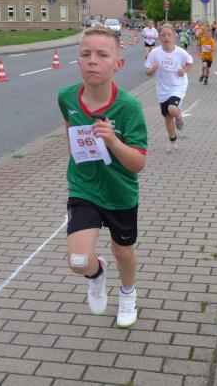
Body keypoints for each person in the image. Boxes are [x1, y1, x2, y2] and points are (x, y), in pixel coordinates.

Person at [58, 26, 148, 328]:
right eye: (85, 54)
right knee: (78, 261)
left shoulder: (129, 107)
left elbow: (138, 163)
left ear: (118, 64)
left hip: (120, 193)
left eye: (102, 55)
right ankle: (96, 274)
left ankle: (128, 293)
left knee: (122, 251)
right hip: (83, 188)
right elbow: (70, 128)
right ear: (78, 60)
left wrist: (112, 141)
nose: (92, 60)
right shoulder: (66, 97)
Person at [145, 24, 193, 152]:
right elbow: (147, 71)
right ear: (159, 37)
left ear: (174, 36)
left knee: (172, 109)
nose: (166, 37)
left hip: (178, 86)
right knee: (167, 117)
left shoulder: (181, 52)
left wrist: (184, 70)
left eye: (169, 35)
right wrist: (152, 69)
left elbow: (190, 63)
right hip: (162, 88)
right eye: (163, 35)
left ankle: (179, 116)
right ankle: (173, 140)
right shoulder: (155, 53)